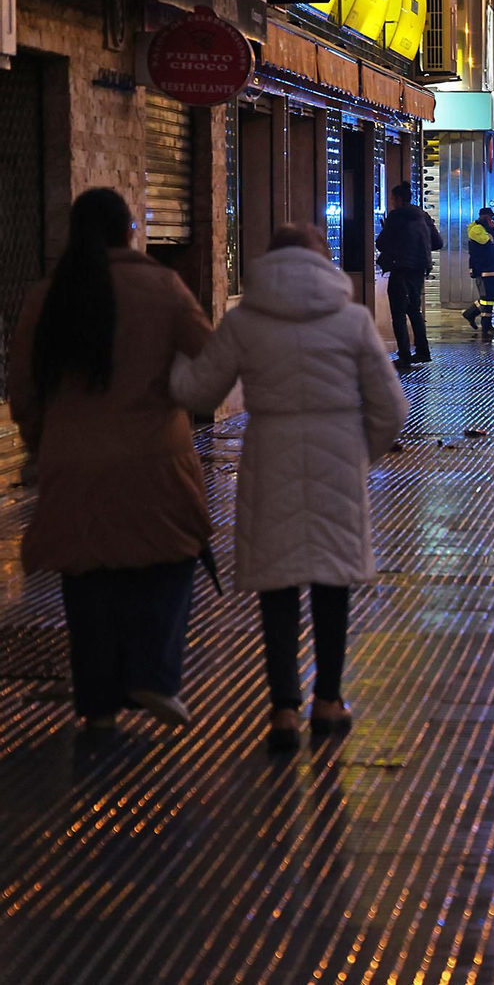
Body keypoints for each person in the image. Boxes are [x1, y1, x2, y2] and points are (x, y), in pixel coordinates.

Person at [171, 224, 407, 752]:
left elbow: (200, 390)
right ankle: (328, 700)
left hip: (269, 451)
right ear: (322, 263)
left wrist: (165, 358)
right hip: (338, 451)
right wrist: (358, 452)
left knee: (276, 586)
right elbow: (391, 407)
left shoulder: (245, 320)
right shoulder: (352, 320)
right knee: (331, 581)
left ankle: (282, 709)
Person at [6, 188, 211, 732]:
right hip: (155, 461)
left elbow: (23, 388)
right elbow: (209, 363)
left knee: (87, 571)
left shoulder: (47, 295)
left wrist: (41, 441)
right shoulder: (163, 286)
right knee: (172, 557)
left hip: (71, 462)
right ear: (129, 232)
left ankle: (97, 704)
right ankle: (152, 673)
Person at [376, 183, 442, 372]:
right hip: (419, 269)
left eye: (392, 198)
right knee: (414, 311)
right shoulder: (423, 215)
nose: (391, 202)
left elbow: (381, 243)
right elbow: (438, 242)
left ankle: (404, 356)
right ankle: (423, 351)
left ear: (397, 199)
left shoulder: (396, 216)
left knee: (398, 313)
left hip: (400, 268)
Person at [462, 207, 494, 333]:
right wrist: (490, 230)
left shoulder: (484, 229)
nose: (492, 220)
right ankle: (485, 325)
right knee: (487, 298)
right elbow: (486, 244)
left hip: (490, 268)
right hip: (483, 268)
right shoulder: (477, 230)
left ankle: (471, 314)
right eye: (490, 217)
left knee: (490, 297)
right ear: (484, 217)